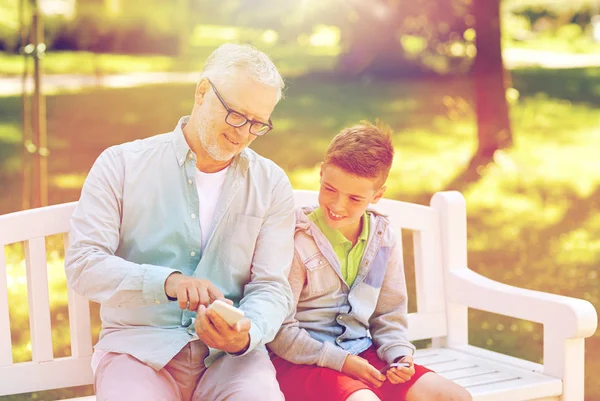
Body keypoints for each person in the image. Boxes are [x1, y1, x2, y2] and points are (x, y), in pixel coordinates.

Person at [65, 43, 295, 401]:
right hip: (138, 353)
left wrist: (246, 334)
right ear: (202, 92)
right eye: (236, 114)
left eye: (257, 124)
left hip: (230, 362)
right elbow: (84, 264)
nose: (242, 133)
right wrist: (167, 282)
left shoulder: (271, 183)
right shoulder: (121, 165)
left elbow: (272, 287)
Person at [268, 121, 472, 401]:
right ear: (321, 174)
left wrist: (399, 355)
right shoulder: (294, 238)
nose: (338, 206)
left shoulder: (382, 237)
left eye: (354, 198)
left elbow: (389, 314)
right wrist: (342, 362)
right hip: (300, 362)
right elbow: (278, 331)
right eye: (330, 189)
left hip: (362, 355)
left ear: (377, 196)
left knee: (452, 397)